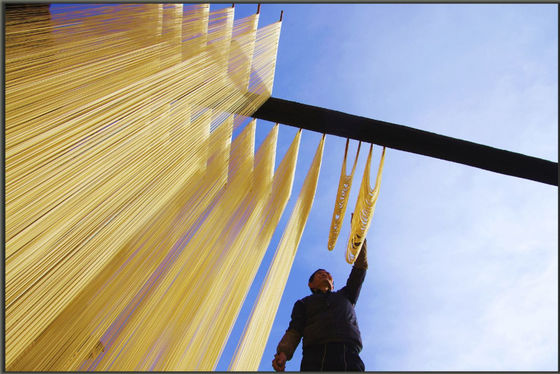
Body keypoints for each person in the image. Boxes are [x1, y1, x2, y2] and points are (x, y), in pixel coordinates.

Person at [272, 231, 368, 372]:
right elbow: (295, 330)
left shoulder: (346, 295)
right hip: (315, 355)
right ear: (310, 284)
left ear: (333, 285)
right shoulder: (303, 303)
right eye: (319, 274)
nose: (324, 274)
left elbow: (360, 268)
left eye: (328, 274)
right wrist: (283, 353)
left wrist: (358, 234)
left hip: (348, 352)